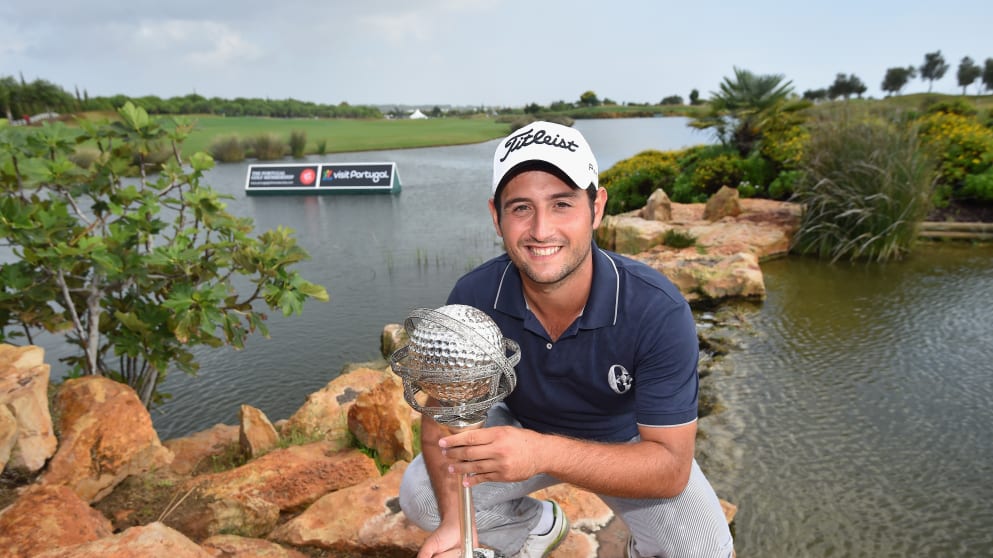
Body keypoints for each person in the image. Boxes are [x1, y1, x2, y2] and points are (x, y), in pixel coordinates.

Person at [399, 121, 734, 557]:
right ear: (495, 216)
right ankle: (536, 526)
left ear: (596, 208)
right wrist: (453, 523)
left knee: (704, 552)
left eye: (562, 203)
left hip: (627, 443)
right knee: (422, 495)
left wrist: (543, 453)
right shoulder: (474, 297)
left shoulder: (657, 309)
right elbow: (443, 425)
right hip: (518, 426)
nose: (541, 230)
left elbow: (670, 468)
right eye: (521, 207)